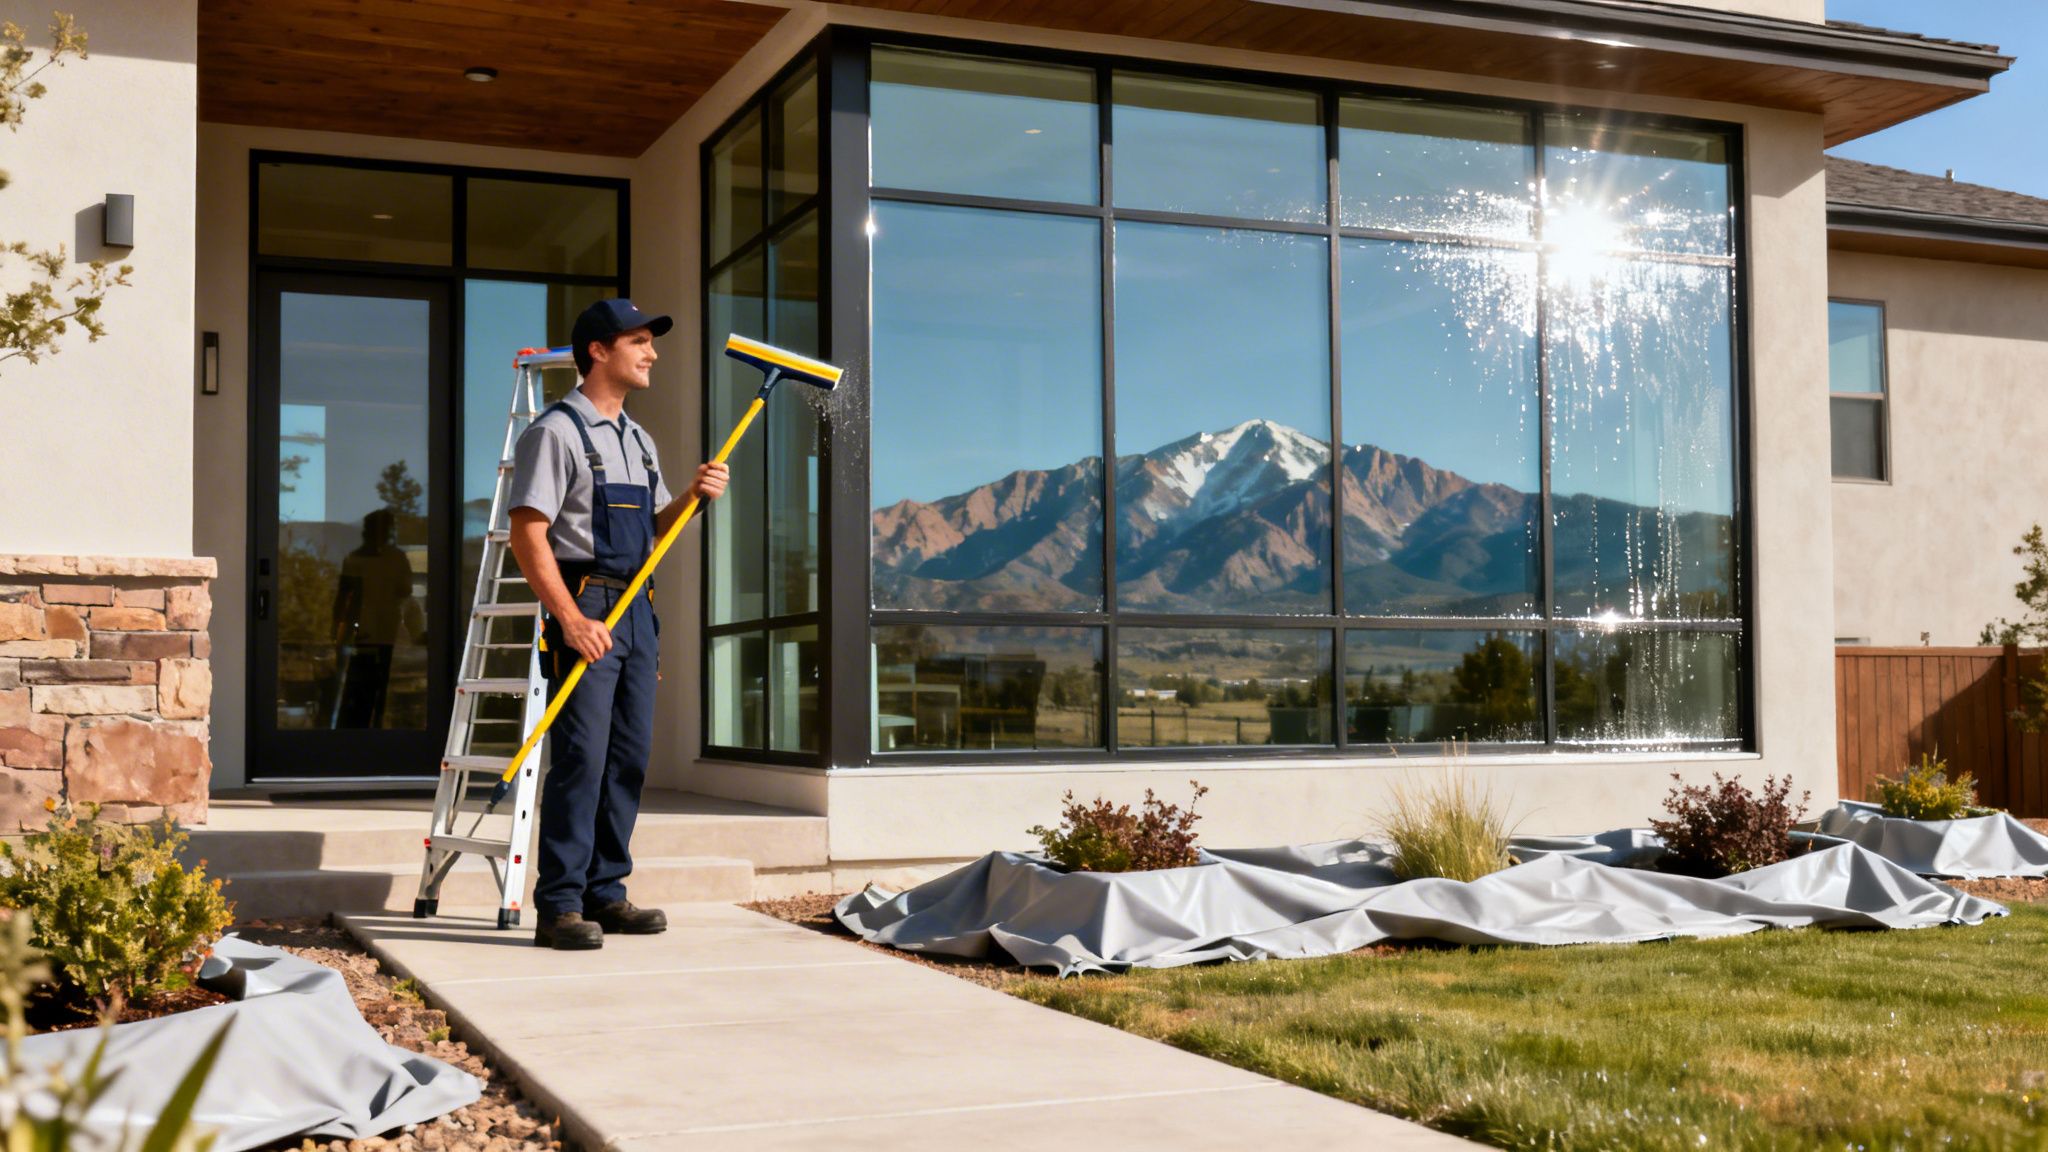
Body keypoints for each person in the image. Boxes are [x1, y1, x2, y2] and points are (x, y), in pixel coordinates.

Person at [506, 298, 728, 950]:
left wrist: (694, 494)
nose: (651, 352)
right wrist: (570, 620)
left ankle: (607, 892)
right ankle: (560, 907)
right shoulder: (555, 432)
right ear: (598, 350)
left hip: (636, 612)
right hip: (586, 607)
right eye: (638, 341)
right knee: (582, 758)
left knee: (628, 758)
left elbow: (657, 530)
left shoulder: (639, 439)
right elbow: (528, 535)